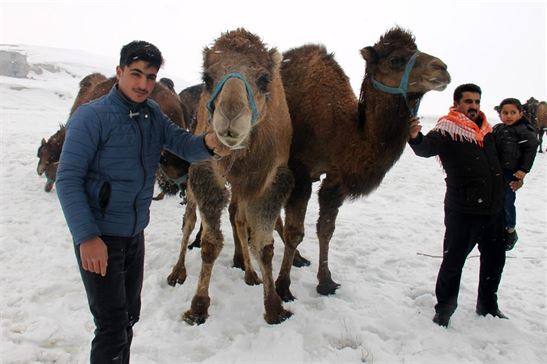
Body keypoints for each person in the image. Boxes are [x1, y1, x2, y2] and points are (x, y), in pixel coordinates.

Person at [56, 40, 222, 363]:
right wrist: (87, 237)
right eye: (136, 74)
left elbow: (182, 144)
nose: (143, 84)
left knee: (129, 316)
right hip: (100, 237)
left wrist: (210, 144)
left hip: (134, 235)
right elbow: (67, 180)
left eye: (150, 77)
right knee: (111, 326)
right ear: (119, 72)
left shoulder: (152, 115)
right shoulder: (92, 117)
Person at [407, 83, 523, 327]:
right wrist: (415, 137)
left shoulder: (488, 131)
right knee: (453, 263)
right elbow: (427, 148)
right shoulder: (447, 128)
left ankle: (488, 306)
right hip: (464, 210)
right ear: (457, 103)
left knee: (494, 261)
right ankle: (444, 311)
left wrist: (515, 180)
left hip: (493, 210)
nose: (473, 106)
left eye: (477, 102)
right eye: (468, 101)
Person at [493, 98, 538, 250]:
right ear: (500, 114)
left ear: (520, 113)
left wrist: (523, 170)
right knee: (496, 198)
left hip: (512, 171)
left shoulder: (524, 130)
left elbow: (531, 149)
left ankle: (510, 228)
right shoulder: (498, 128)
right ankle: (497, 224)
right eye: (505, 113)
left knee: (507, 198)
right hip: (497, 170)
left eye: (513, 112)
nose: (509, 116)